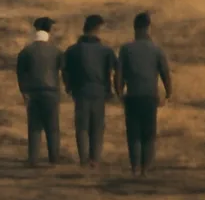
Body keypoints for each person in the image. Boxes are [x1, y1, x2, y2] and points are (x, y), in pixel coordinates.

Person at [117, 12, 172, 176]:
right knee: (148, 133)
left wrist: (120, 92)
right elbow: (165, 73)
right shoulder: (156, 50)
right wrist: (168, 93)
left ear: (134, 28)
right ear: (148, 28)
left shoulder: (126, 49)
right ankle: (146, 168)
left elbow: (118, 74)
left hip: (132, 96)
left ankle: (135, 167)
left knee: (133, 134)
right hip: (150, 96)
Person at [63, 14, 118, 168]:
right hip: (100, 92)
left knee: (82, 127)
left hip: (80, 92)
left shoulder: (72, 50)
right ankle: (95, 159)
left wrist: (69, 87)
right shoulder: (106, 51)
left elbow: (65, 71)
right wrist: (113, 90)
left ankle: (83, 159)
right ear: (98, 28)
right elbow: (116, 70)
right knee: (97, 127)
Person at [16, 16, 63, 166]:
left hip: (33, 92)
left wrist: (24, 91)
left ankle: (33, 158)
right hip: (51, 91)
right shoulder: (56, 51)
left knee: (34, 127)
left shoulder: (26, 51)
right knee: (52, 127)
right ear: (49, 31)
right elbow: (63, 70)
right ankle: (54, 158)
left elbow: (20, 73)